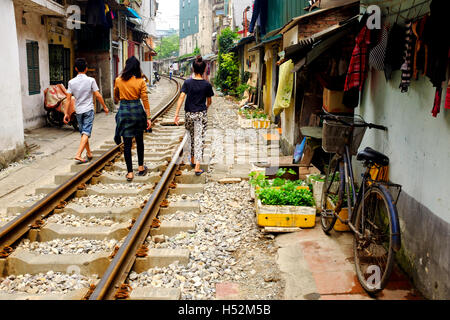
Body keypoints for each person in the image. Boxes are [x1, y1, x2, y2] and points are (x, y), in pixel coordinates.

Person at [174, 55, 214, 176]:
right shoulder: (207, 85)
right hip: (200, 114)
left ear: (193, 69)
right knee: (199, 139)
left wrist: (176, 114)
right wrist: (206, 108)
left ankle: (192, 160)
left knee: (191, 136)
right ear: (203, 70)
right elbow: (209, 101)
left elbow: (181, 97)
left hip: (189, 114)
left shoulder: (187, 82)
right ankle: (197, 166)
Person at [114, 56, 151, 181]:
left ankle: (130, 172)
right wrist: (149, 117)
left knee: (127, 143)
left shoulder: (118, 80)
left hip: (124, 112)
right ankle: (140, 167)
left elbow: (116, 96)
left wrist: (123, 100)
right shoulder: (141, 81)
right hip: (137, 112)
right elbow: (145, 99)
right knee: (139, 140)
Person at [64, 58, 109, 164]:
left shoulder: (71, 82)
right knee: (86, 132)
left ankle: (89, 153)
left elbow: (68, 99)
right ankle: (78, 154)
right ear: (86, 68)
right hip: (88, 109)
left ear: (75, 68)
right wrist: (105, 106)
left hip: (78, 110)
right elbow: (97, 95)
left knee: (84, 133)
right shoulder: (91, 80)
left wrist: (66, 113)